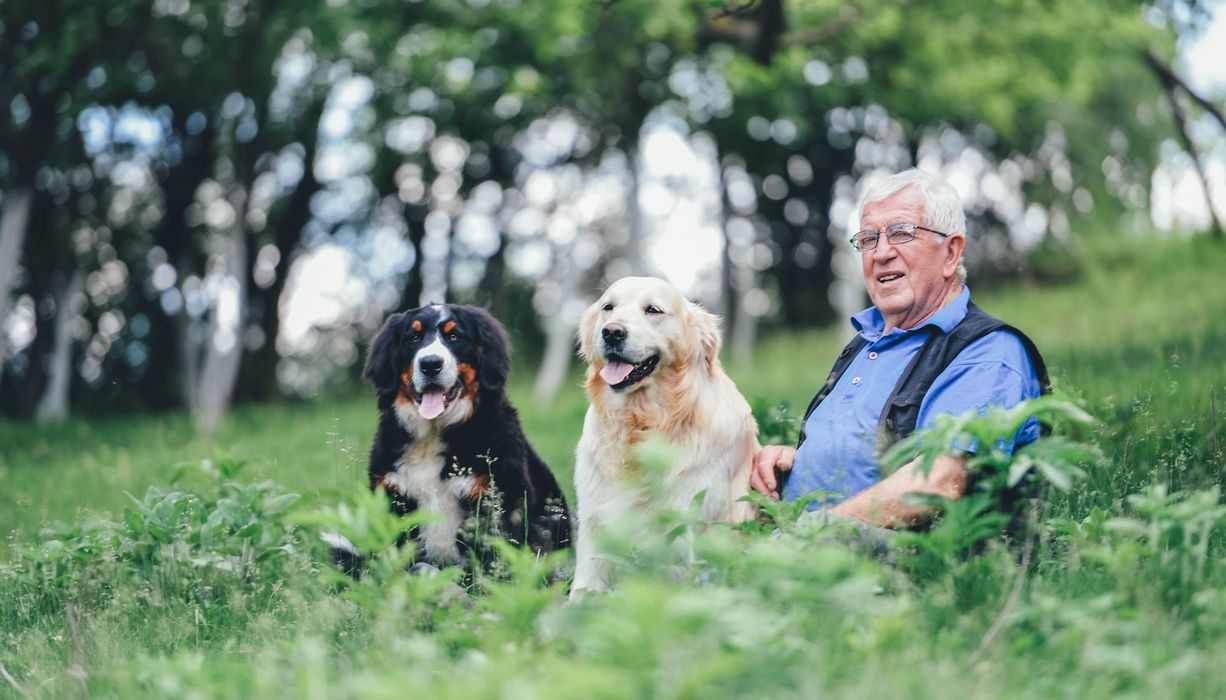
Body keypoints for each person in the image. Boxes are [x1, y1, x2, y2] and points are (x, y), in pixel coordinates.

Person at [750, 169, 1049, 529]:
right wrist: (791, 463)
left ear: (951, 253)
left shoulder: (988, 350)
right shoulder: (865, 343)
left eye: (901, 233)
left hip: (908, 569)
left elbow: (939, 483)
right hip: (811, 553)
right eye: (868, 239)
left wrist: (808, 535)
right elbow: (859, 459)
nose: (881, 253)